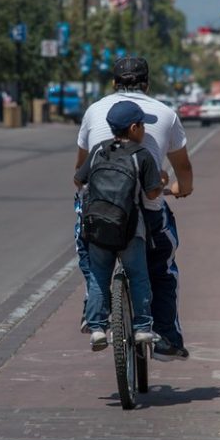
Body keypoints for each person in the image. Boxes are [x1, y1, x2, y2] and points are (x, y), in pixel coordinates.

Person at [75, 56, 194, 361]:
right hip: (145, 214)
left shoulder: (94, 111)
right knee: (161, 268)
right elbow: (183, 170)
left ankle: (93, 314)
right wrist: (178, 187)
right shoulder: (166, 114)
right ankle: (165, 336)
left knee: (90, 258)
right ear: (147, 83)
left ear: (114, 84)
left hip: (99, 210)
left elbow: (78, 174)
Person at [74, 101, 164, 350]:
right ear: (134, 128)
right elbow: (153, 193)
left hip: (97, 228)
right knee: (138, 276)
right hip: (129, 229)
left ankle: (97, 329)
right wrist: (162, 181)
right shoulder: (141, 155)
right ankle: (143, 328)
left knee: (98, 277)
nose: (144, 130)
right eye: (143, 125)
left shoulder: (98, 151)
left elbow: (77, 180)